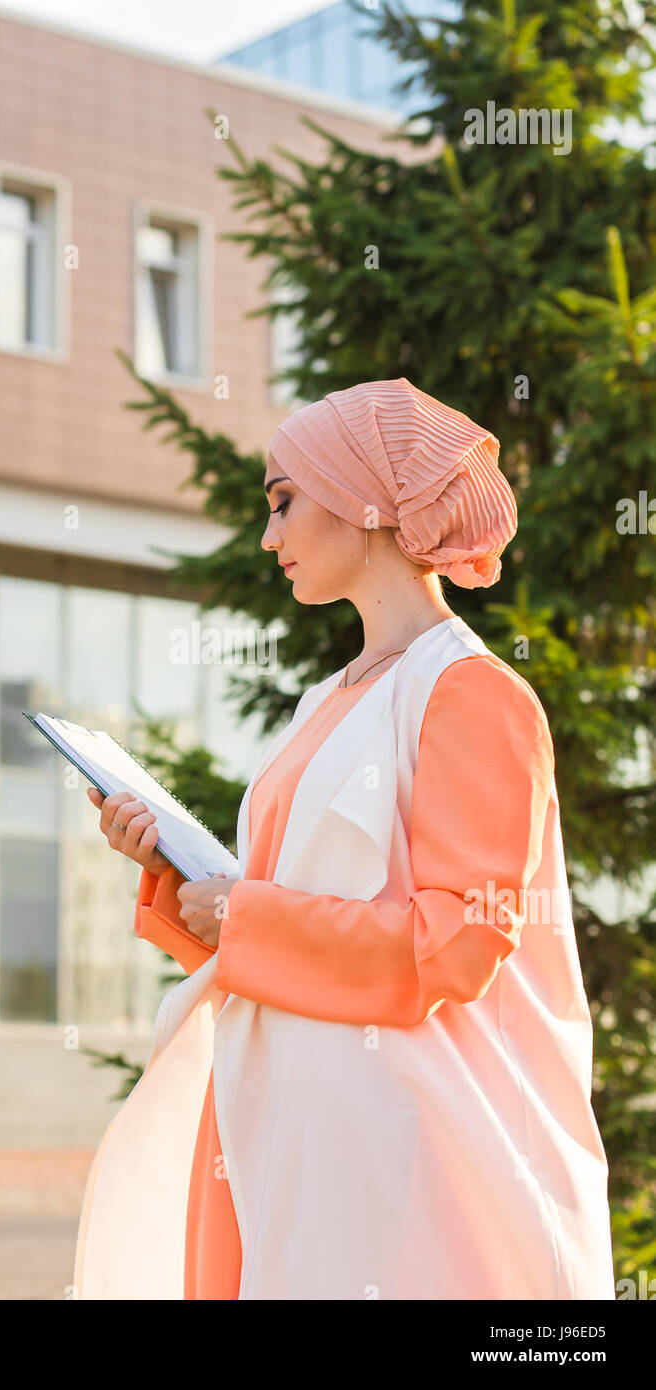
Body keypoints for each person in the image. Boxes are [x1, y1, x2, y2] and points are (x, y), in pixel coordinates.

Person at [79, 377, 615, 1300]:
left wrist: (242, 916)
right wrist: (179, 878)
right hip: (287, 1140)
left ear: (365, 499)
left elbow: (456, 943)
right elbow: (291, 910)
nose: (268, 536)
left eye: (284, 502)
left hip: (406, 1169)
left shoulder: (474, 694)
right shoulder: (326, 702)